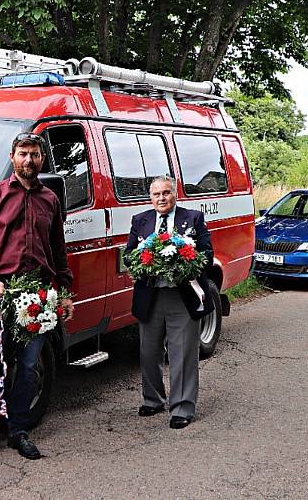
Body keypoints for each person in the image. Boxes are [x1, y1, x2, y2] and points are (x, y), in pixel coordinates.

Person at [0, 132, 74, 467]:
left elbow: (58, 251)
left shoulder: (50, 199)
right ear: (12, 157)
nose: (29, 160)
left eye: (35, 154)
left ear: (42, 159)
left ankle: (18, 429)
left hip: (38, 295)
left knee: (28, 365)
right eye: (23, 153)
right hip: (1, 295)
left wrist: (63, 292)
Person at [124, 175, 214, 429]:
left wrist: (185, 264)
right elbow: (129, 256)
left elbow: (207, 254)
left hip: (181, 297)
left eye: (166, 193)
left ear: (175, 194)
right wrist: (143, 263)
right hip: (150, 296)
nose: (161, 198)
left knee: (182, 352)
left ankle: (182, 407)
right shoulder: (140, 221)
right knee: (148, 352)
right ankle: (153, 400)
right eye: (156, 194)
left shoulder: (193, 218)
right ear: (150, 198)